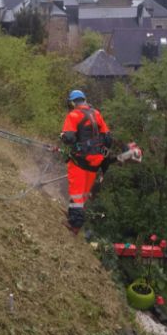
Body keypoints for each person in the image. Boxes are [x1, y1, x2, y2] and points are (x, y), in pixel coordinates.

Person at [60, 90, 112, 235]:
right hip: (95, 162)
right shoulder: (96, 114)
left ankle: (74, 225)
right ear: (84, 100)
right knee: (82, 194)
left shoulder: (73, 115)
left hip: (79, 161)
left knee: (77, 193)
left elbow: (69, 138)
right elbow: (108, 139)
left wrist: (62, 135)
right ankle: (73, 215)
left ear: (72, 102)